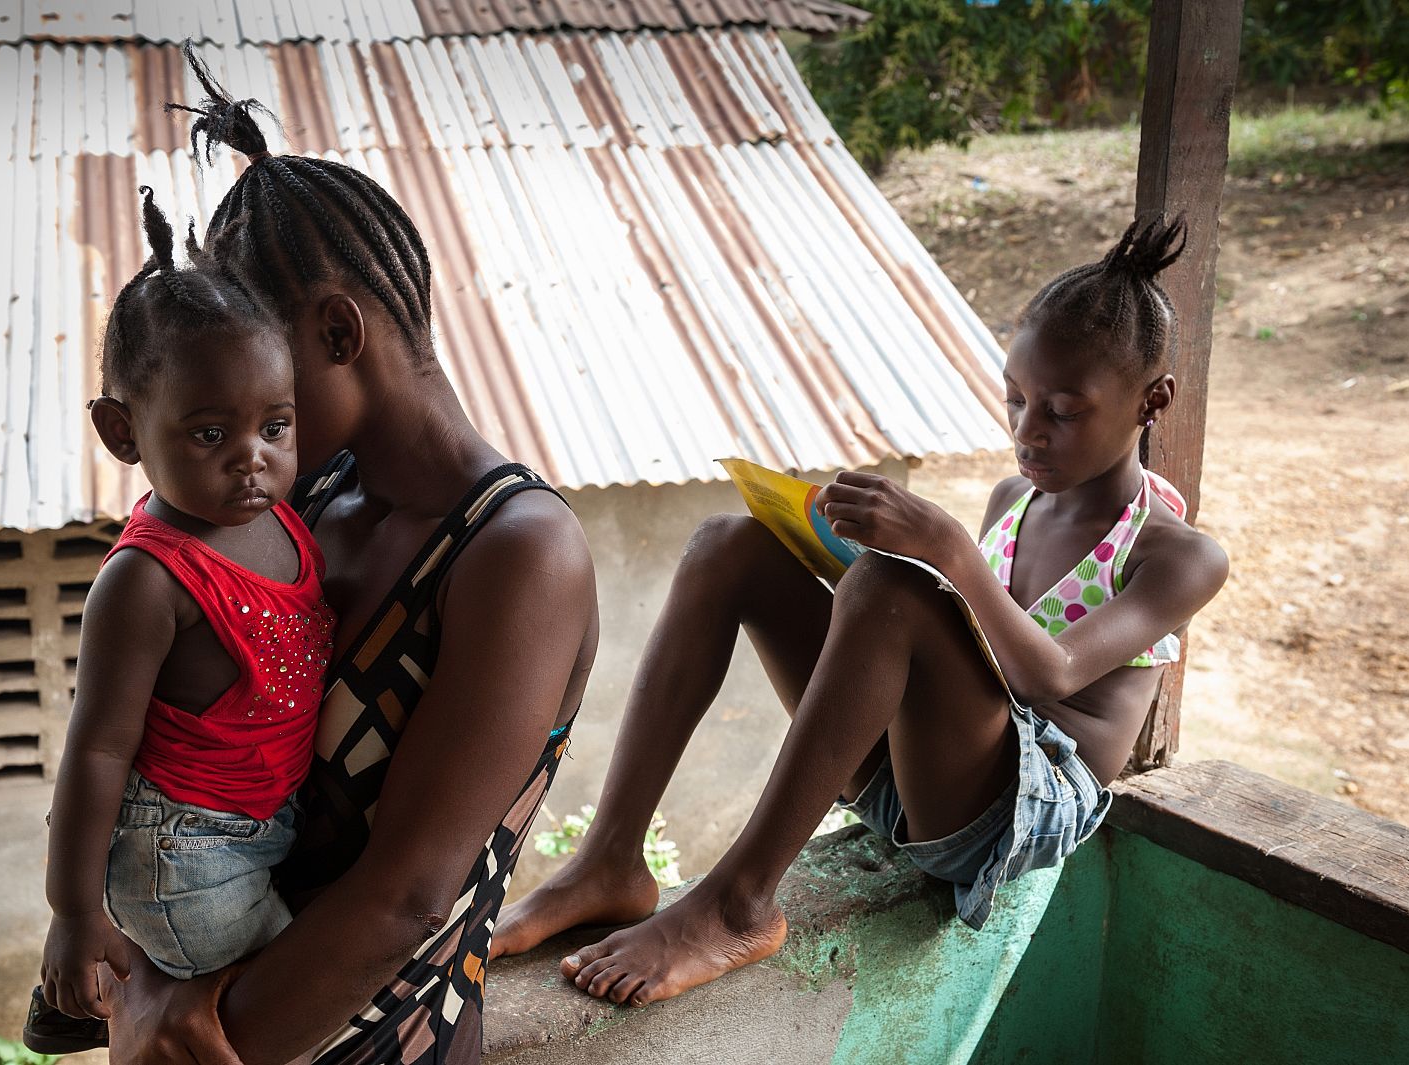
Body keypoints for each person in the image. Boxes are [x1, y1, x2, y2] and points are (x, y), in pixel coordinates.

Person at [493, 216, 1229, 1010]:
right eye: (1015, 398)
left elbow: (1051, 672)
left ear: (1153, 400)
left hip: (1017, 809)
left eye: (1063, 410)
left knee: (889, 588)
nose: (1027, 431)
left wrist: (945, 550)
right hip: (924, 771)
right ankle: (609, 858)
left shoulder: (1177, 555)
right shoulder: (1014, 498)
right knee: (725, 546)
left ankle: (739, 903)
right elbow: (972, 648)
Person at [99, 44, 598, 1065]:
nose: (239, 417)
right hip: (217, 999)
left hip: (370, 1041)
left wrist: (187, 1039)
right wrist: (143, 969)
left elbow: (407, 897)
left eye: (257, 366)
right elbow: (164, 755)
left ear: (336, 333)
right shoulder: (307, 501)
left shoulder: (519, 553)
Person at [25, 187, 335, 1053]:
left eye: (275, 425)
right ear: (122, 432)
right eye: (208, 434)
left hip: (263, 820)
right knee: (306, 1003)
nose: (252, 458)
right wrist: (72, 914)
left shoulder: (282, 516)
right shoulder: (147, 581)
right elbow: (96, 751)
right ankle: (132, 997)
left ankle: (143, 991)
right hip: (184, 857)